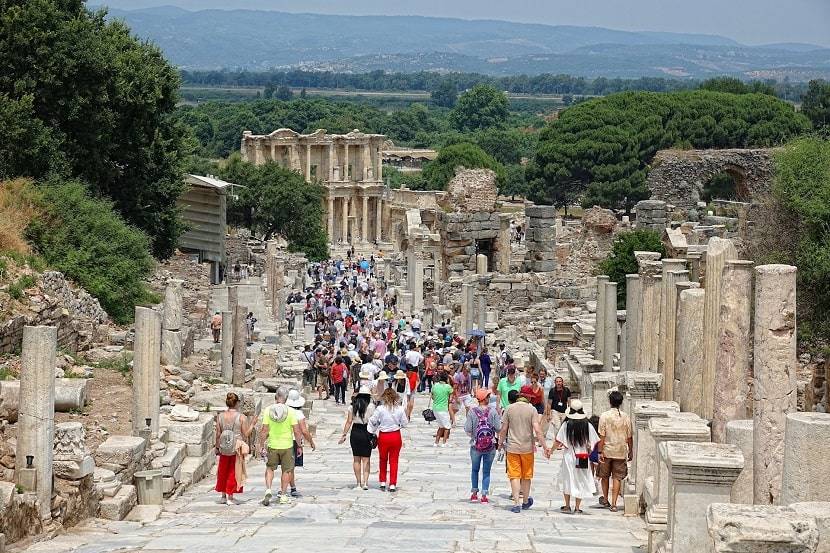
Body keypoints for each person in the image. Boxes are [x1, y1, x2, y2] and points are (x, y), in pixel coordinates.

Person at [498, 390, 550, 513]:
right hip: (527, 448)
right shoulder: (532, 409)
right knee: (526, 475)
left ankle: (516, 503)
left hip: (512, 448)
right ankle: (525, 501)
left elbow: (504, 429)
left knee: (514, 475)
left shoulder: (509, 408)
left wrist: (500, 443)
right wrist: (545, 446)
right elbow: (537, 430)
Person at [551, 399, 600, 514]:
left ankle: (567, 506)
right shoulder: (587, 425)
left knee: (568, 479)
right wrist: (589, 450)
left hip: (569, 456)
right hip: (582, 456)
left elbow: (558, 441)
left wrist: (550, 451)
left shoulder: (566, 425)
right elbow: (594, 441)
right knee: (580, 480)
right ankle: (577, 507)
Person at [258, 388, 304, 506]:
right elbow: (297, 431)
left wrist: (261, 445)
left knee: (270, 468)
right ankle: (283, 495)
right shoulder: (290, 411)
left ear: (275, 396)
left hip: (273, 444)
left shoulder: (268, 410)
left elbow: (264, 430)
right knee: (287, 470)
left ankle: (268, 489)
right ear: (286, 398)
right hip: (287, 445)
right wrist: (299, 445)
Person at [213, 392, 254, 505]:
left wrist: (217, 447)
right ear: (237, 403)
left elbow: (218, 433)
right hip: (236, 446)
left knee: (222, 470)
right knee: (234, 470)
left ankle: (223, 495)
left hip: (223, 446)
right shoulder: (241, 417)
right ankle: (230, 496)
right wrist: (252, 425)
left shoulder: (220, 416)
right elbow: (245, 434)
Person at [597, 390, 633, 512]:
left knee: (605, 476)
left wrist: (599, 451)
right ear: (621, 402)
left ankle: (606, 499)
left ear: (610, 402)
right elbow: (629, 436)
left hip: (607, 450)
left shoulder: (604, 416)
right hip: (620, 451)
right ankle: (614, 504)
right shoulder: (626, 417)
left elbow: (602, 436)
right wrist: (631, 450)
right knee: (617, 477)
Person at [464, 388, 501, 504]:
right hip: (490, 446)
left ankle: (474, 493)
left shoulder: (472, 411)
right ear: (485, 398)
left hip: (475, 445)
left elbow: (468, 429)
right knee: (486, 471)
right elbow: (499, 428)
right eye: (488, 396)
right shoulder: (493, 411)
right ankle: (484, 495)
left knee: (475, 469)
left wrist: (475, 436)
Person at [368, 388, 408, 492]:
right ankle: (392, 484)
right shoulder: (400, 409)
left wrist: (375, 427)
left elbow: (373, 420)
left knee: (383, 459)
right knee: (394, 461)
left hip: (384, 436)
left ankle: (382, 481)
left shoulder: (380, 409)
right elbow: (405, 423)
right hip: (395, 436)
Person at [339, 385, 376, 490]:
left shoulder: (352, 407)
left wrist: (344, 435)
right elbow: (373, 421)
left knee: (356, 459)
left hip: (355, 432)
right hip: (367, 431)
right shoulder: (371, 406)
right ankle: (365, 483)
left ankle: (358, 483)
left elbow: (349, 422)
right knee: (366, 459)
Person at [286, 389, 317, 498]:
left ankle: (287, 487)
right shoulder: (298, 413)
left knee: (286, 467)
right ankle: (290, 488)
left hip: (283, 440)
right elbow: (304, 430)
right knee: (291, 467)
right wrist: (311, 441)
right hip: (294, 441)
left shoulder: (284, 411)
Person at [431, 373, 454, 447]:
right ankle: (444, 443)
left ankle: (436, 442)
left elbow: (433, 397)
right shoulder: (448, 387)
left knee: (441, 426)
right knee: (447, 427)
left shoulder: (435, 385)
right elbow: (450, 399)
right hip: (443, 409)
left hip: (435, 409)